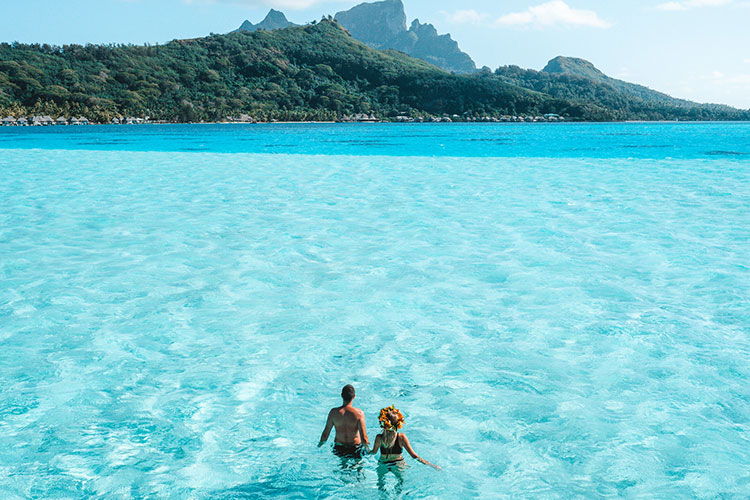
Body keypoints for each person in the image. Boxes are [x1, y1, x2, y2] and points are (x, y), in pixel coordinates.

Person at [370, 405, 441, 470]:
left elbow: (373, 452)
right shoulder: (401, 437)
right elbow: (414, 456)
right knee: (400, 482)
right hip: (398, 463)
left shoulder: (379, 437)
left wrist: (365, 451)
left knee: (380, 483)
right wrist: (431, 465)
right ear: (398, 423)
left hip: (383, 464)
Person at [319, 384, 369, 457]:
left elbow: (325, 434)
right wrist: (368, 449)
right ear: (354, 396)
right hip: (355, 448)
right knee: (358, 466)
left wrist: (319, 446)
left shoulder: (333, 413)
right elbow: (364, 438)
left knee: (343, 466)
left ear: (341, 395)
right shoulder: (359, 413)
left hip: (339, 448)